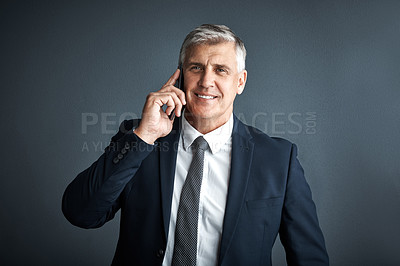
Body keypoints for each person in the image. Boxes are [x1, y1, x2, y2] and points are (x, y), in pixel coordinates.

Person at [62, 24, 329, 266]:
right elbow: (80, 213)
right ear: (180, 77)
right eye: (196, 67)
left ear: (240, 82)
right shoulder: (140, 139)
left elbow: (309, 258)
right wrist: (144, 136)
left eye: (220, 70)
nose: (205, 81)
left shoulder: (278, 159)